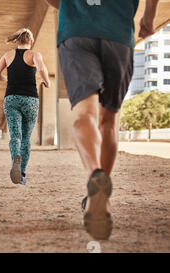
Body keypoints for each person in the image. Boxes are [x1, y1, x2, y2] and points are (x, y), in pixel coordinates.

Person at [46, 0, 160, 240]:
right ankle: (100, 200)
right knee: (108, 122)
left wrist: (71, 6)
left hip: (76, 31)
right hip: (117, 32)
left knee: (83, 114)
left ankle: (94, 177)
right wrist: (149, 18)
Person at [0, 28, 50, 185]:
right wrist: (46, 81)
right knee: (26, 138)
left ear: (16, 41)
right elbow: (41, 68)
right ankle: (22, 174)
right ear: (30, 41)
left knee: (15, 136)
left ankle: (15, 157)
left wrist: (7, 80)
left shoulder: (7, 55)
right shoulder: (35, 55)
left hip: (11, 99)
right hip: (30, 99)